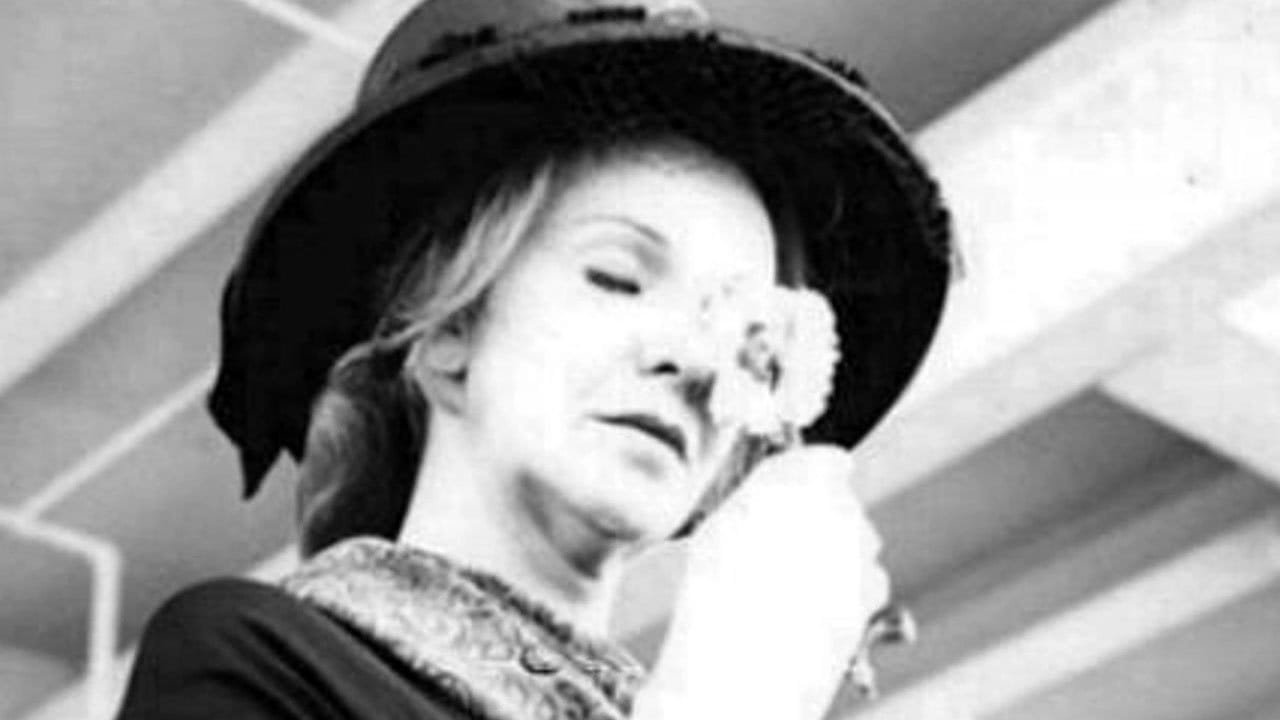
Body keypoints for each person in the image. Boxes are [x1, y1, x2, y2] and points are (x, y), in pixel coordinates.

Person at [115, 0, 952, 718]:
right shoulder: (248, 662)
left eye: (745, 335)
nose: (695, 362)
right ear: (447, 328)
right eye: (617, 278)